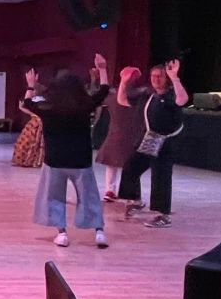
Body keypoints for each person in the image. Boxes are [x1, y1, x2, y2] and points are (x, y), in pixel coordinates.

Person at [23, 54, 110, 248]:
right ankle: (99, 233)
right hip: (81, 160)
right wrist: (102, 69)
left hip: (55, 160)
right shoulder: (84, 106)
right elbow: (103, 91)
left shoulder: (48, 108)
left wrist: (31, 85)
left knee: (54, 197)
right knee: (90, 196)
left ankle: (62, 234)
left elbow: (27, 104)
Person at [117, 59, 188, 228]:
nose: (156, 79)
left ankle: (162, 215)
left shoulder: (171, 95)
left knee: (161, 176)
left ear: (166, 79)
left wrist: (174, 77)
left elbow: (182, 100)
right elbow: (122, 100)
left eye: (160, 77)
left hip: (165, 141)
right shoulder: (147, 95)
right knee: (131, 167)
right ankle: (134, 201)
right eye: (153, 76)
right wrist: (124, 81)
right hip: (150, 139)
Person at [96, 68, 146, 200]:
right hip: (124, 133)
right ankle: (113, 191)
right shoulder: (138, 96)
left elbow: (101, 94)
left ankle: (113, 191)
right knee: (119, 163)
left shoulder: (133, 96)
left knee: (119, 164)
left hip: (125, 133)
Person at [11, 100, 45, 168]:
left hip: (41, 122)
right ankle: (30, 160)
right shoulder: (32, 93)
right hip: (35, 122)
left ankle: (38, 160)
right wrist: (22, 108)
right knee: (28, 141)